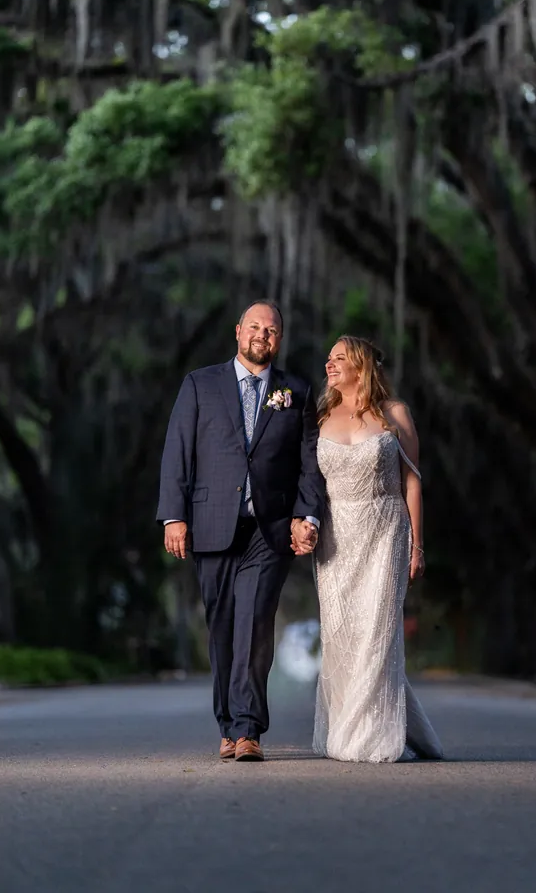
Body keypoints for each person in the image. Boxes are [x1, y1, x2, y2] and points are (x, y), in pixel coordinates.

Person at [157, 300, 324, 762]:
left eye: (271, 330)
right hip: (211, 525)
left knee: (255, 627)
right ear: (237, 332)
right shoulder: (200, 384)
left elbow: (310, 466)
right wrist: (174, 516)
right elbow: (178, 451)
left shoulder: (297, 391)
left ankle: (249, 729)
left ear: (279, 339)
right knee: (223, 628)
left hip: (268, 533)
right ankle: (227, 725)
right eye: (255, 327)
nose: (262, 336)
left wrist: (305, 515)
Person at [305, 335, 443, 763]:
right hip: (335, 539)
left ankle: (372, 736)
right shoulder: (321, 415)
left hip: (385, 532)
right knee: (343, 636)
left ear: (361, 365)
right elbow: (309, 484)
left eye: (339, 358)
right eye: (328, 358)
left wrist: (417, 545)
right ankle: (359, 724)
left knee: (377, 636)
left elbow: (412, 482)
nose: (330, 365)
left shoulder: (395, 414)